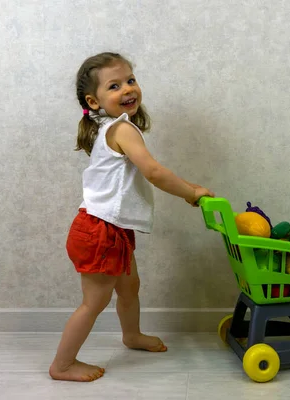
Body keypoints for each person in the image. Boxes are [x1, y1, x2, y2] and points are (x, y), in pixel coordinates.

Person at [49, 52, 215, 382]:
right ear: (93, 101)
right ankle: (62, 365)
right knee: (93, 303)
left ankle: (132, 335)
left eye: (130, 80)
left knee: (130, 288)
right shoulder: (122, 130)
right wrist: (190, 192)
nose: (128, 88)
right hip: (99, 230)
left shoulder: (109, 127)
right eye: (115, 85)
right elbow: (153, 172)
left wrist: (188, 188)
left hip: (113, 228)